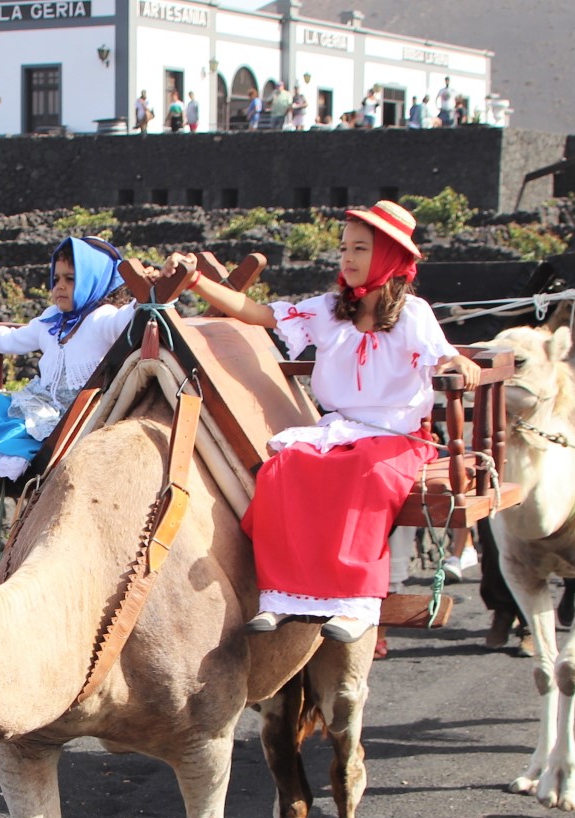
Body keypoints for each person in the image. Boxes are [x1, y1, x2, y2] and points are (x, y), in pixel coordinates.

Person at [168, 200, 477, 641]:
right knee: (284, 468)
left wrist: (458, 362)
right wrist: (197, 281)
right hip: (340, 428)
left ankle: (354, 604)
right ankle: (282, 596)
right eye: (344, 248)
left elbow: (442, 352)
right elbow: (257, 313)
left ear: (390, 256)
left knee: (364, 474)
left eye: (361, 249)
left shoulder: (413, 313)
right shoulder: (331, 308)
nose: (348, 258)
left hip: (396, 435)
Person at [0, 236, 134, 508]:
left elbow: (134, 316)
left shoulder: (103, 319)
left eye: (70, 279)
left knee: (20, 437)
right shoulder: (51, 320)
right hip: (37, 402)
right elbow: (9, 340)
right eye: (56, 279)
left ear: (94, 280)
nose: (60, 287)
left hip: (73, 414)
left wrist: (151, 289)